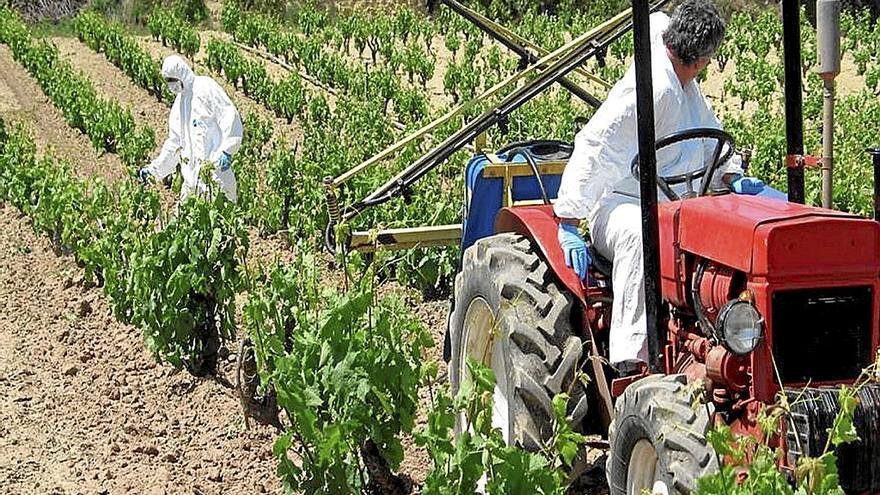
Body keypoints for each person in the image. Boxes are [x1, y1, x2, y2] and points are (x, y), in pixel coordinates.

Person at [553, 0, 766, 373]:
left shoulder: (686, 85)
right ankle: (632, 359)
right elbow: (600, 144)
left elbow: (707, 135)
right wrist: (569, 218)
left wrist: (731, 175)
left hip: (676, 204)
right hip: (622, 203)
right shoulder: (653, 87)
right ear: (702, 59)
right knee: (641, 234)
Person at [139, 55, 243, 203]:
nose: (171, 86)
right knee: (184, 221)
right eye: (168, 81)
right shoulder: (179, 104)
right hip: (191, 180)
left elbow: (228, 115)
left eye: (172, 80)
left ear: (181, 74)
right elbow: (175, 144)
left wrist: (227, 150)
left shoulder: (206, 87)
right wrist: (154, 171)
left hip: (215, 176)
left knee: (220, 219)